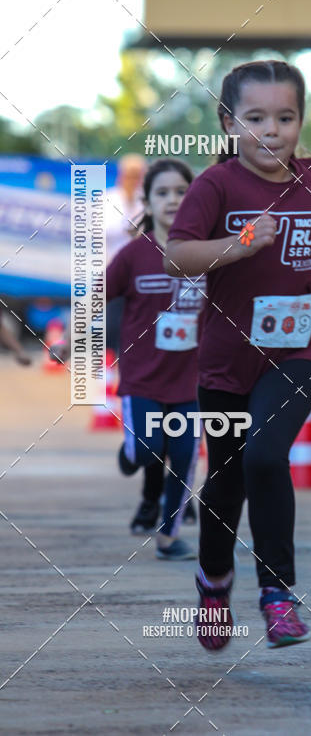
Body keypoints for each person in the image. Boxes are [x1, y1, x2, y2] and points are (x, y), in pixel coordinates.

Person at [165, 59, 311, 649]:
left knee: (265, 456)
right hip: (228, 357)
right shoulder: (216, 186)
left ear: (301, 120)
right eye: (255, 118)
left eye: (285, 117)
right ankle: (213, 582)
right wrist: (239, 244)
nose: (271, 130)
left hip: (298, 348)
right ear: (229, 122)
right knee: (226, 478)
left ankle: (278, 594)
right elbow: (177, 256)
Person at [108, 158, 206, 560]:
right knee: (148, 451)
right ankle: (130, 454)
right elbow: (97, 295)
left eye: (182, 192)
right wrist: (70, 341)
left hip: (191, 382)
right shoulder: (133, 256)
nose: (173, 200)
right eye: (162, 193)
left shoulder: (207, 255)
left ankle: (169, 537)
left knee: (183, 457)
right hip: (142, 380)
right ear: (147, 201)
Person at [105, 153, 171, 534]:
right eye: (131, 174)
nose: (135, 178)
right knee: (154, 423)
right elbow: (113, 236)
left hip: (188, 341)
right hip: (128, 297)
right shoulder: (111, 204)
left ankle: (169, 500)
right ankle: (148, 485)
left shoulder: (184, 226)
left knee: (183, 423)